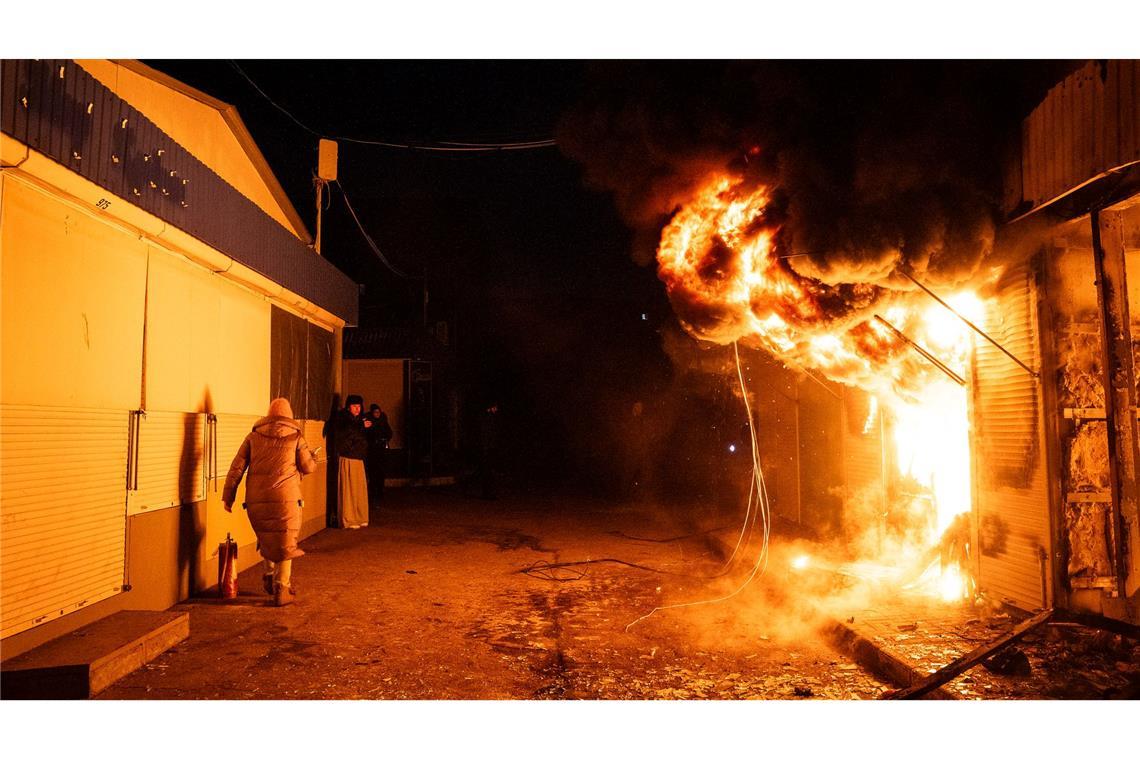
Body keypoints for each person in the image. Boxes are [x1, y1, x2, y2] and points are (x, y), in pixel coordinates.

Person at [222, 398, 317, 607]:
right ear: (289, 415)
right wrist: (313, 458)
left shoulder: (253, 437)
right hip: (286, 498)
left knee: (266, 535)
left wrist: (228, 496)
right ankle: (282, 587)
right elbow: (308, 467)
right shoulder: (296, 437)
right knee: (285, 539)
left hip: (257, 498)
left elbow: (236, 468)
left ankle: (268, 574)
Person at [335, 394, 370, 529]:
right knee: (349, 490)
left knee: (359, 489)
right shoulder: (343, 419)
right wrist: (361, 425)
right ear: (348, 407)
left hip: (358, 457)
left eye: (359, 406)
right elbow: (347, 433)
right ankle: (349, 519)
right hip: (348, 457)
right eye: (354, 406)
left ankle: (360, 516)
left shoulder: (358, 420)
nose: (357, 409)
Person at [364, 403, 393, 505]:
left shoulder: (383, 421)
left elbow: (389, 432)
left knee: (381, 471)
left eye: (378, 412)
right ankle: (373, 492)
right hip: (372, 450)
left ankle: (380, 491)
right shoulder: (369, 421)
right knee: (373, 472)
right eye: (375, 412)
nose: (377, 414)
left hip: (381, 449)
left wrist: (385, 439)